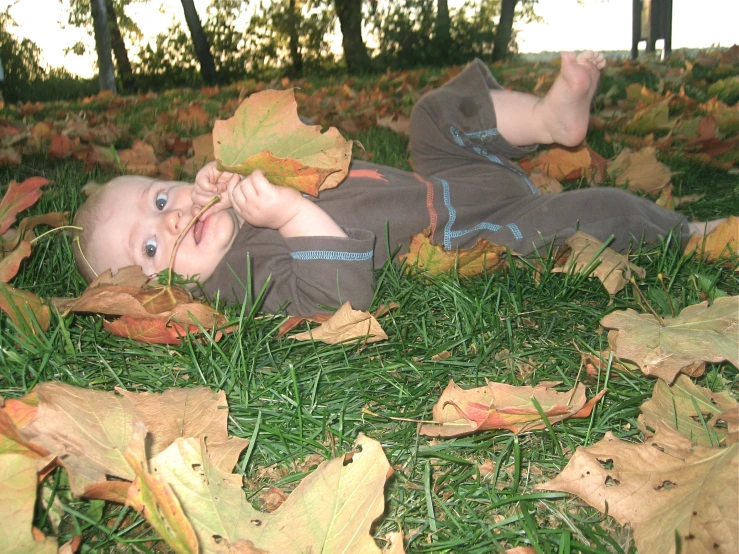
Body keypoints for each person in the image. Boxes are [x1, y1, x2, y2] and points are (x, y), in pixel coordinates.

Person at [72, 51, 721, 316]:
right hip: (464, 231)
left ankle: (550, 118)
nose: (172, 220)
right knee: (591, 213)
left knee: (432, 114)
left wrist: (237, 170)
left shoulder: (232, 196)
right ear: (161, 293)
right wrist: (290, 215)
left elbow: (303, 149)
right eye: (151, 250)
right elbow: (335, 302)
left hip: (441, 180)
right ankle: (688, 234)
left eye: (160, 199)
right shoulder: (235, 278)